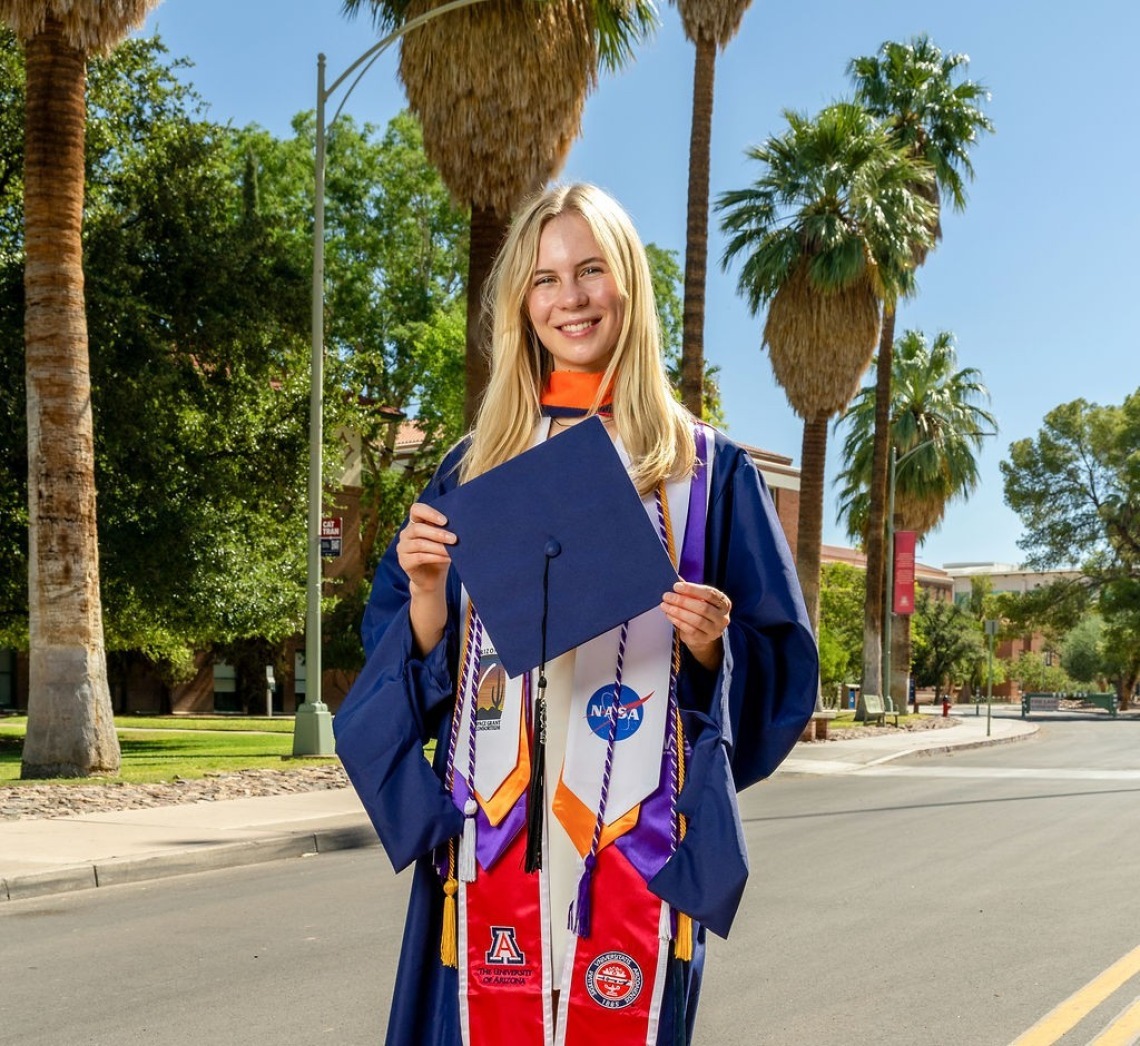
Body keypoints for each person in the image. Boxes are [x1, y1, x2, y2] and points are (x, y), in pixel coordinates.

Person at [334, 183, 818, 1046]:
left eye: (591, 270)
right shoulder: (472, 467)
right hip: (490, 850)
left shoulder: (704, 474)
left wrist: (711, 649)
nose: (572, 298)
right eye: (547, 278)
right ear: (522, 299)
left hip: (636, 844)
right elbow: (399, 666)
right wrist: (423, 595)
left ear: (628, 283)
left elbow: (776, 665)